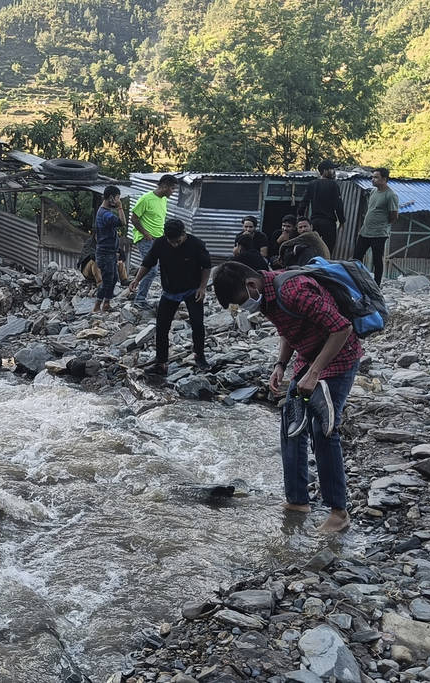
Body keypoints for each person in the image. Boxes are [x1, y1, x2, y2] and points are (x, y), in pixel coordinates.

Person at [213, 261, 362, 533]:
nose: (243, 308)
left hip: (339, 358)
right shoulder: (267, 296)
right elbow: (287, 329)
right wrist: (280, 365)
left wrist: (315, 373)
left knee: (323, 429)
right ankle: (297, 501)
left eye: (240, 302)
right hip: (308, 356)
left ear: (250, 285)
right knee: (291, 425)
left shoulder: (294, 290)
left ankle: (338, 512)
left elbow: (342, 328)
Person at [127, 219, 211, 374]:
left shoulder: (196, 244)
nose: (174, 245)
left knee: (198, 324)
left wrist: (203, 287)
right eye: (171, 242)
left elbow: (206, 266)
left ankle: (199, 356)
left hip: (193, 290)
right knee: (162, 327)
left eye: (178, 241)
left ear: (184, 234)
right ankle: (161, 362)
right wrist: (136, 280)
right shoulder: (160, 244)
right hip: (170, 291)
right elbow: (147, 263)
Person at [129, 174, 177, 310]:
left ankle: (166, 297)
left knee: (166, 267)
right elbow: (134, 218)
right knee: (151, 269)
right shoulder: (146, 199)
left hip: (160, 239)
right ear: (164, 186)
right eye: (172, 189)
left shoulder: (163, 200)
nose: (173, 192)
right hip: (146, 239)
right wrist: (145, 234)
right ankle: (140, 300)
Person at [353, 168, 399, 285]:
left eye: (376, 177)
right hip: (365, 231)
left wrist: (382, 224)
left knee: (377, 260)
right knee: (356, 257)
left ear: (384, 179)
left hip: (379, 233)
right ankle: (356, 280)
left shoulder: (390, 195)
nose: (373, 180)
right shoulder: (373, 192)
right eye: (372, 177)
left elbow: (394, 215)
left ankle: (377, 284)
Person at [300, 161, 344, 254]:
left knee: (312, 249)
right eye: (332, 169)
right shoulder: (333, 185)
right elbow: (338, 205)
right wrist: (342, 221)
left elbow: (304, 202)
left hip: (314, 222)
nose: (334, 172)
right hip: (328, 223)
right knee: (327, 250)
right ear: (324, 171)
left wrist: (300, 217)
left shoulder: (312, 184)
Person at [93, 185, 125, 312]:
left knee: (114, 278)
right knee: (107, 280)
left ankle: (106, 303)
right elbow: (122, 222)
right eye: (117, 198)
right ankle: (96, 306)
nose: (118, 200)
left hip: (110, 253)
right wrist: (120, 207)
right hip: (105, 254)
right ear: (111, 198)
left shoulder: (105, 212)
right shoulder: (105, 214)